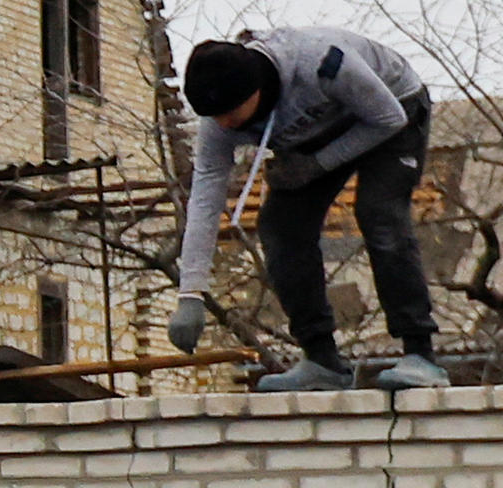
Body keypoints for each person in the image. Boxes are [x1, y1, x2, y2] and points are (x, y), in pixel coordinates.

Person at [169, 26, 444, 395]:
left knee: (378, 214)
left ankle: (421, 353)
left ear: (256, 90)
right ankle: (321, 360)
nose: (225, 125)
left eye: (231, 114)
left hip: (392, 110)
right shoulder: (219, 121)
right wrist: (191, 294)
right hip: (317, 133)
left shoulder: (322, 63)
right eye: (216, 118)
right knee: (281, 226)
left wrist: (317, 165)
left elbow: (388, 118)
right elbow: (205, 198)